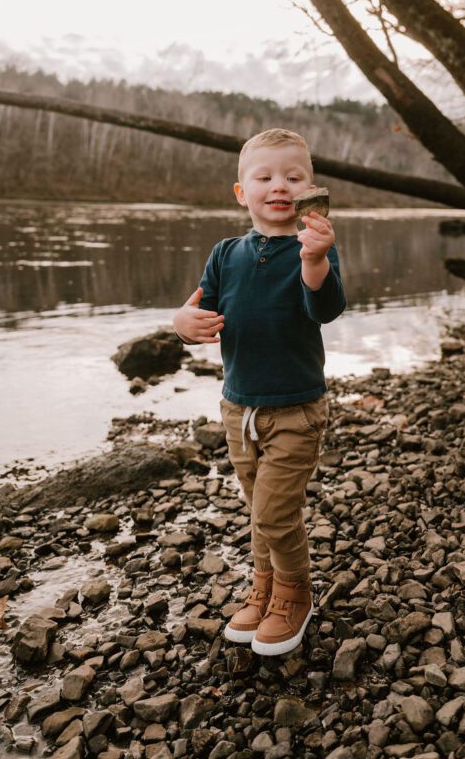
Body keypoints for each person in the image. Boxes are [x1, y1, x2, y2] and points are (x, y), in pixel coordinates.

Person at [173, 128, 346, 656]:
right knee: (260, 509)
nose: (279, 186)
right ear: (241, 192)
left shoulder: (314, 247)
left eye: (293, 177)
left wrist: (315, 260)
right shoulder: (227, 253)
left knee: (273, 511)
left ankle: (295, 592)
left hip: (296, 407)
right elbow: (199, 304)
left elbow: (325, 308)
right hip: (238, 406)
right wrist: (183, 323)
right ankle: (266, 586)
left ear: (310, 190)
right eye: (265, 177)